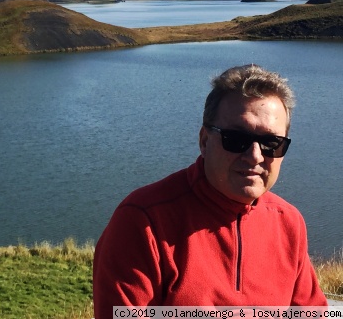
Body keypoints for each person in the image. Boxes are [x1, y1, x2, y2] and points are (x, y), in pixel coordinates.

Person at [93, 64, 327, 314]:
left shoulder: (289, 222)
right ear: (204, 141)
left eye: (271, 143)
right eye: (236, 139)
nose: (255, 156)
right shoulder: (143, 221)